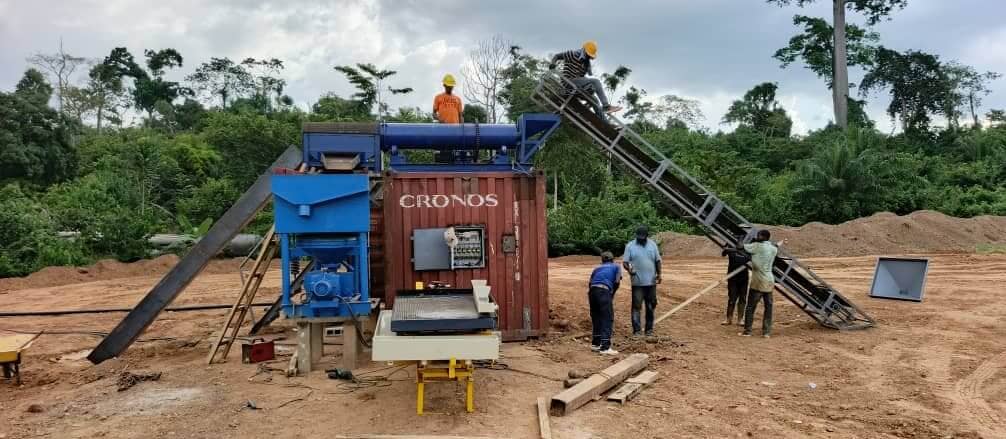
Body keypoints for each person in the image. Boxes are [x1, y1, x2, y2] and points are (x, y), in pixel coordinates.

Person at [548, 41, 623, 118]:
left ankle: (605, 122)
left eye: (590, 56)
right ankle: (606, 106)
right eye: (588, 55)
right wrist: (553, 63)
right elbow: (557, 56)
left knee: (595, 100)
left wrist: (588, 71)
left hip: (577, 87)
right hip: (569, 82)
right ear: (583, 51)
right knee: (595, 81)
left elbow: (589, 75)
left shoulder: (586, 63)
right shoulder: (572, 54)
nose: (589, 57)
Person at [622, 225, 661, 338]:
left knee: (651, 306)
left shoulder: (653, 245)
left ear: (647, 236)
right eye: (639, 238)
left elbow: (657, 260)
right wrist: (629, 270)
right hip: (637, 283)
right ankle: (637, 331)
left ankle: (649, 330)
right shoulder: (630, 246)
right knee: (636, 306)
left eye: (642, 238)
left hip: (651, 282)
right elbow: (625, 262)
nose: (640, 239)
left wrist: (659, 274)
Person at [740, 230, 780, 338]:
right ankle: (766, 332)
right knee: (768, 308)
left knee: (750, 307)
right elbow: (774, 249)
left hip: (758, 281)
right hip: (769, 281)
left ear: (764, 237)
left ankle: (748, 331)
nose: (757, 237)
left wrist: (741, 238)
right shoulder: (773, 249)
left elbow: (740, 247)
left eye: (759, 235)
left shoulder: (757, 246)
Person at [587, 251, 621, 355]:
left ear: (602, 260)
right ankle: (605, 347)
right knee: (607, 317)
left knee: (596, 317)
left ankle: (596, 344)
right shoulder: (616, 266)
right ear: (613, 259)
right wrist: (611, 294)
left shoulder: (597, 268)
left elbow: (590, 282)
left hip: (592, 292)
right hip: (604, 291)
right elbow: (617, 282)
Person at [721, 240, 750, 326]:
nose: (740, 244)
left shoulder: (748, 251)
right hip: (732, 279)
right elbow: (723, 253)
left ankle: (740, 319)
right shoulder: (731, 250)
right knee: (732, 299)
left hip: (744, 279)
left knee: (742, 299)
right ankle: (728, 319)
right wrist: (727, 247)